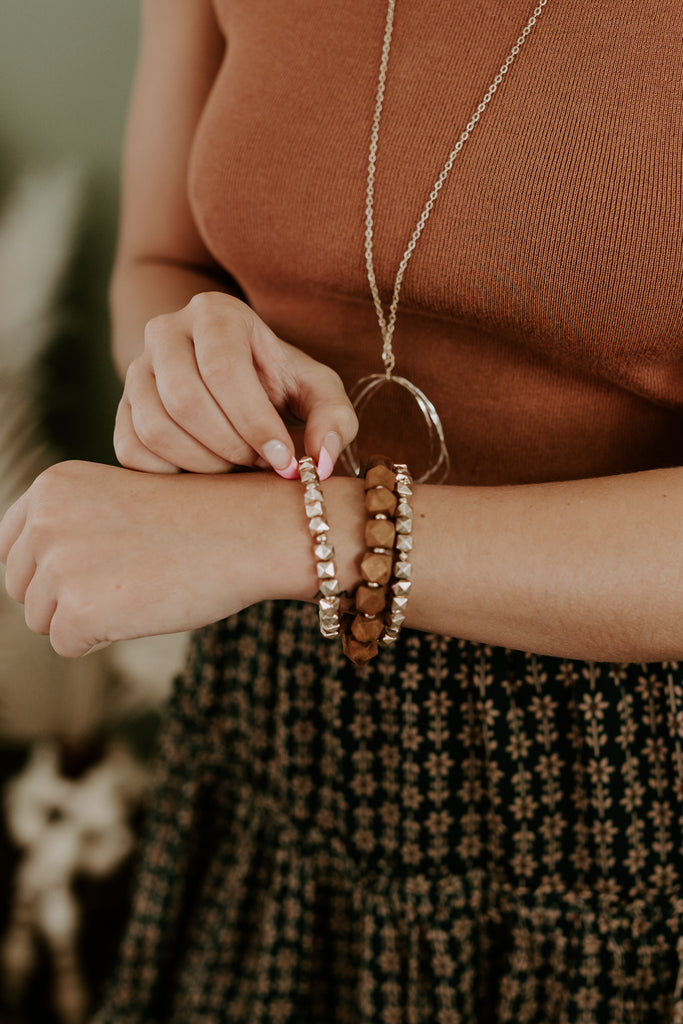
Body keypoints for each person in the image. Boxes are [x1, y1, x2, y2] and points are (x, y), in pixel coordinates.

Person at [1, 0, 683, 1020]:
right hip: (278, 728)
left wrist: (299, 534)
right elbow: (162, 264)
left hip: (626, 791)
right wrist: (186, 369)